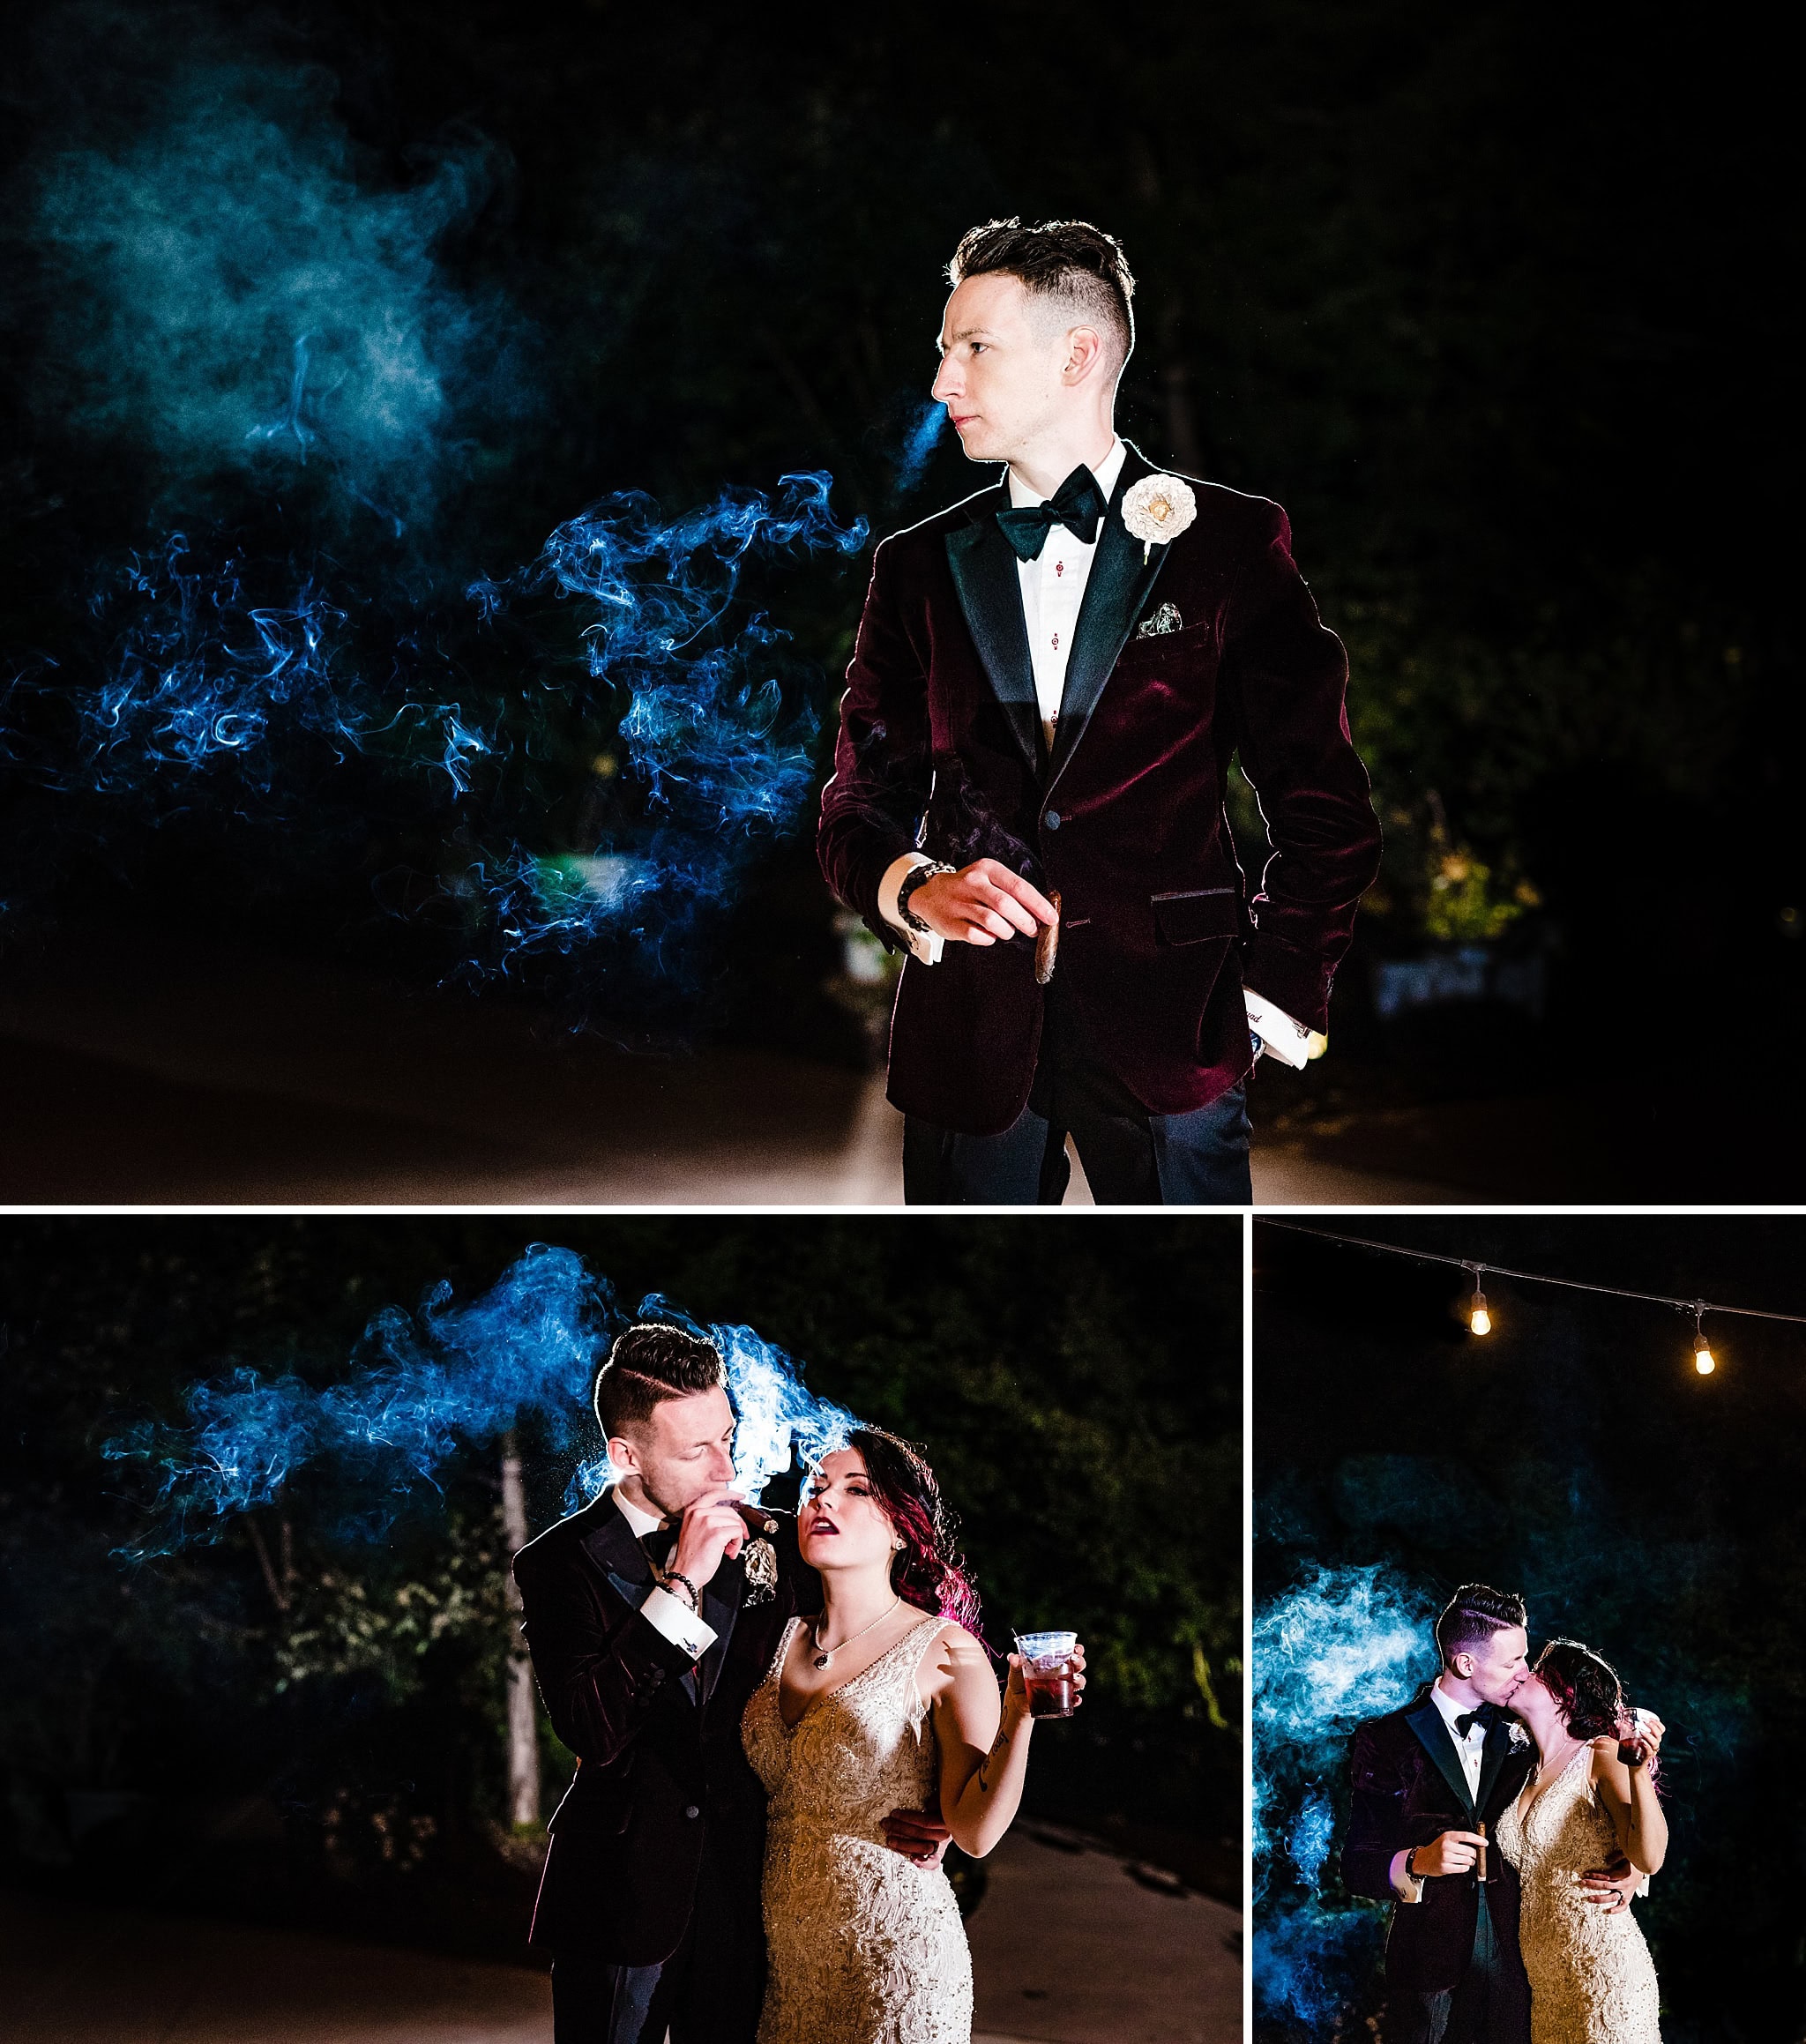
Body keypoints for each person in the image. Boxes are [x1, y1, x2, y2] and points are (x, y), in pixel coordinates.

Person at [817, 216, 1382, 1205]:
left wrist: (1269, 995)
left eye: (973, 349)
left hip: (1176, 1035)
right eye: (944, 351)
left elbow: (1323, 804)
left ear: (1077, 354)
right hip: (967, 1041)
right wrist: (912, 889)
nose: (943, 382)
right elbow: (857, 801)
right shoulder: (912, 567)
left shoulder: (1230, 544)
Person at [511, 1325, 948, 2044]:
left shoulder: (777, 1543)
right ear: (625, 1455)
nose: (726, 1469)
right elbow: (592, 1729)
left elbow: (898, 1639)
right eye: (697, 1451)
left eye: (729, 1437)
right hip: (621, 1892)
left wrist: (940, 1798)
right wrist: (680, 1585)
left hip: (750, 1892)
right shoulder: (558, 1563)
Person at [742, 1429, 1086, 2044]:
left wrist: (1020, 1716)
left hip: (895, 1966)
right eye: (814, 1488)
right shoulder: (772, 1636)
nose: (823, 1502)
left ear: (902, 1527)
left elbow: (975, 1831)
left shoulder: (944, 1650)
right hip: (789, 1977)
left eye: (855, 1490)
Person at [1341, 1585, 1653, 2044]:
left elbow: (1601, 1790)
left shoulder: (1527, 1732)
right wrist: (1415, 1862)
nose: (1526, 1674)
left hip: (1522, 1967)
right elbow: (1356, 1865)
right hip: (1431, 1966)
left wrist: (1632, 1869)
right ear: (1466, 1664)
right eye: (1513, 1662)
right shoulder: (1384, 1740)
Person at [1493, 1639, 1665, 2043]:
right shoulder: (1518, 1769)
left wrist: (1638, 1772)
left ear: (1563, 1693)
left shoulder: (1600, 1754)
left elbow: (1650, 1855)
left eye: (1535, 1669)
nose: (1522, 1674)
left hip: (1603, 1971)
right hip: (1545, 1988)